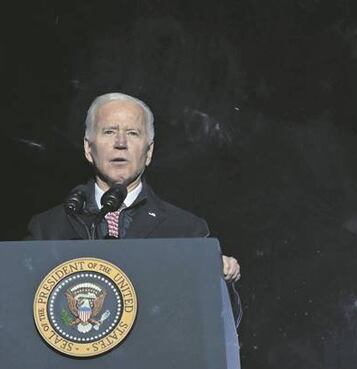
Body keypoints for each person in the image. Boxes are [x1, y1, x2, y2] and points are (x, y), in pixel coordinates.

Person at [26, 92, 241, 282]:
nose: (120, 143)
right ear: (88, 148)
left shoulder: (186, 231)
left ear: (149, 152)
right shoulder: (47, 229)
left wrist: (222, 278)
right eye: (109, 131)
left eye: (132, 133)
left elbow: (211, 309)